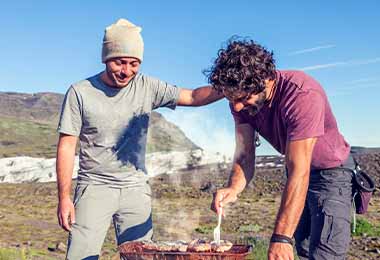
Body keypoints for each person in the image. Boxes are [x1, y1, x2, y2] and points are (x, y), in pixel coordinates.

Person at [56, 18, 222, 260]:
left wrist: (231, 88)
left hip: (135, 189)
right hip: (94, 186)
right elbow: (66, 146)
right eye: (119, 62)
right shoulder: (80, 92)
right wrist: (64, 198)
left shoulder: (147, 86)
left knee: (141, 257)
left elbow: (194, 96)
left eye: (134, 64)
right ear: (105, 58)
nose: (126, 71)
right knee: (81, 256)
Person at [208, 38, 353, 260]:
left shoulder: (301, 95)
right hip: (298, 173)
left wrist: (281, 238)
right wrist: (233, 188)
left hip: (331, 175)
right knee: (304, 251)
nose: (237, 106)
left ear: (267, 80)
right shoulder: (240, 102)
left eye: (243, 98)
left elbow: (299, 170)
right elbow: (245, 153)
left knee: (325, 255)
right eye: (231, 99)